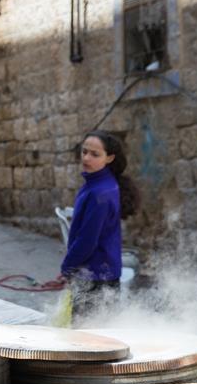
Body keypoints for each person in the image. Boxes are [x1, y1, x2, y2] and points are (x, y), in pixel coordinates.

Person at [60, 131, 140, 322]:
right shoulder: (96, 183)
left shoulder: (100, 193)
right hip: (101, 273)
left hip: (95, 276)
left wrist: (67, 267)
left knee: (87, 339)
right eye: (84, 151)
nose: (86, 158)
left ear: (109, 158)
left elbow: (87, 240)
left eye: (95, 154)